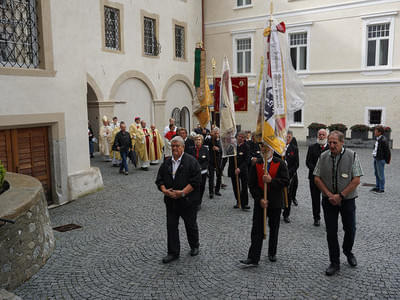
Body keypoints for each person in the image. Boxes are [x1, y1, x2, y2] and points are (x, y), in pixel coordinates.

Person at [314, 130, 363, 276]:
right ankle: (334, 262)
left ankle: (348, 251)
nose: (332, 145)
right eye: (330, 142)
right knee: (331, 231)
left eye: (335, 142)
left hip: (347, 199)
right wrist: (330, 195)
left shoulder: (352, 155)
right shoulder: (323, 157)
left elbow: (356, 180)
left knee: (350, 228)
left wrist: (341, 195)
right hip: (329, 200)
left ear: (342, 142)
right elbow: (316, 178)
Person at [239, 143, 289, 266]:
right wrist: (259, 198)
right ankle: (253, 257)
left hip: (275, 202)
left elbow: (285, 181)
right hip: (260, 202)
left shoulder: (280, 163)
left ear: (272, 148)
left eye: (267, 147)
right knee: (257, 229)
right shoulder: (257, 164)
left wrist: (272, 181)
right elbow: (252, 184)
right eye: (262, 147)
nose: (264, 149)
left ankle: (272, 252)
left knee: (274, 228)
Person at [155, 136, 202, 264]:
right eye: (173, 146)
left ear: (183, 147)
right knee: (171, 226)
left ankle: (194, 245)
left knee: (190, 224)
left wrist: (182, 193)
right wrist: (165, 190)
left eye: (177, 146)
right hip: (171, 201)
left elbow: (196, 181)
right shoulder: (167, 162)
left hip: (187, 201)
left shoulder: (191, 162)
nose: (175, 148)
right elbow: (159, 180)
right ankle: (173, 252)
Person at [306, 128, 329, 226]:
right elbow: (308, 162)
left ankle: (329, 218)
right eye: (320, 134)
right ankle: (316, 217)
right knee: (315, 199)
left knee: (327, 199)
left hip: (327, 179)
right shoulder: (312, 147)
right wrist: (316, 170)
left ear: (326, 136)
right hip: (314, 177)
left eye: (323, 135)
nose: (321, 136)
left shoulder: (330, 147)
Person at [228, 131, 250, 210]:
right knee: (235, 186)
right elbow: (229, 157)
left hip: (243, 170)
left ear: (244, 138)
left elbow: (247, 160)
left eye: (242, 137)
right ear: (237, 137)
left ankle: (245, 204)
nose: (240, 138)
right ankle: (238, 201)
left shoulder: (246, 147)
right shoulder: (233, 146)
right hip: (233, 169)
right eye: (239, 136)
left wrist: (239, 168)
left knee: (244, 187)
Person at [282, 131, 299, 223]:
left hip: (290, 175)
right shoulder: (279, 148)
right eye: (286, 137)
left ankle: (286, 214)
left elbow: (296, 164)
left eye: (289, 137)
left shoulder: (294, 149)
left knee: (288, 195)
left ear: (291, 138)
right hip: (280, 175)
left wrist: (289, 173)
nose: (287, 139)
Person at [189, 134, 209, 210]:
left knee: (201, 187)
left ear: (202, 141)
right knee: (193, 187)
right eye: (196, 139)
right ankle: (193, 201)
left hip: (202, 172)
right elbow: (189, 160)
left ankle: (199, 202)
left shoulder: (205, 149)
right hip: (193, 172)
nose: (197, 141)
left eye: (199, 139)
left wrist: (201, 167)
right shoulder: (191, 149)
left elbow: (207, 160)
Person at [371, 125, 391, 193]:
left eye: (376, 131)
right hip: (376, 158)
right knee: (376, 173)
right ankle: (377, 186)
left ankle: (381, 188)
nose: (374, 132)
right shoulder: (378, 139)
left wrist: (387, 160)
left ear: (380, 132)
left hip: (380, 159)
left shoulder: (383, 140)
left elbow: (387, 151)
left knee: (380, 174)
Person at [205, 127, 222, 198]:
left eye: (217, 133)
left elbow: (222, 149)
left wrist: (218, 149)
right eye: (215, 133)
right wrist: (209, 135)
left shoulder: (220, 140)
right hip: (211, 160)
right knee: (211, 176)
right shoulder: (210, 139)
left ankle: (217, 190)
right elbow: (205, 142)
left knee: (219, 176)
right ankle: (211, 192)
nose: (216, 134)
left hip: (219, 160)